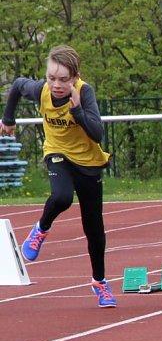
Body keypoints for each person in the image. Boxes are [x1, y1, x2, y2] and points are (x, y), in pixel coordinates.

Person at [0, 45, 117, 307]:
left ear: (75, 77)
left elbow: (97, 133)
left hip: (87, 162)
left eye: (63, 80)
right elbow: (18, 85)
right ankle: (40, 228)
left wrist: (77, 111)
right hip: (57, 153)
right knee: (62, 197)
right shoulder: (41, 90)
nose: (56, 85)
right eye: (52, 78)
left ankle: (100, 282)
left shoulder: (85, 93)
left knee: (94, 228)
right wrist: (8, 119)